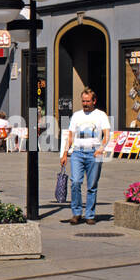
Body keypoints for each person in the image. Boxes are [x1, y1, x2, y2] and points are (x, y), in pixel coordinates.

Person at [60, 89, 110, 224]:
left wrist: (101, 149)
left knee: (92, 185)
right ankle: (76, 213)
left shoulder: (101, 115)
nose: (85, 104)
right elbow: (70, 136)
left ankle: (89, 215)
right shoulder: (76, 115)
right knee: (75, 182)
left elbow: (107, 134)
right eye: (83, 101)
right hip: (77, 153)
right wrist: (65, 153)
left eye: (88, 101)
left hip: (94, 152)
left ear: (94, 101)